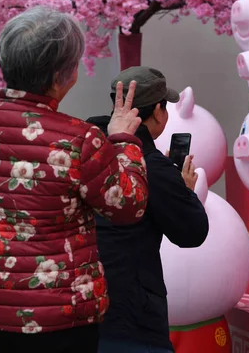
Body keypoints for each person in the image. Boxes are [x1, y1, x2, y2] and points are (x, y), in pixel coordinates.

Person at [0, 6, 148, 353]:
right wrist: (122, 140)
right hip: (60, 319)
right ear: (65, 75)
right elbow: (129, 207)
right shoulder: (80, 139)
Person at [87, 66, 210, 353]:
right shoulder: (152, 166)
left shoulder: (87, 150)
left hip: (81, 302)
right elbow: (192, 232)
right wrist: (184, 191)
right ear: (158, 111)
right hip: (133, 314)